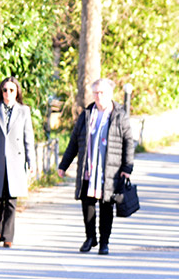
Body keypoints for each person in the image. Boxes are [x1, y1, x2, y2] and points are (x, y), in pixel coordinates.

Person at [57, 79, 136, 255]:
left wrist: (127, 167)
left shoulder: (119, 115)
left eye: (102, 93)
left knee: (106, 206)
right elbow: (74, 142)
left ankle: (104, 242)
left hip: (110, 170)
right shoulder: (87, 114)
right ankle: (90, 237)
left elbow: (128, 142)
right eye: (96, 93)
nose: (98, 96)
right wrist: (63, 165)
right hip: (88, 168)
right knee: (87, 205)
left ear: (110, 94)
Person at [0, 77, 35, 247]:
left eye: (11, 90)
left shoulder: (24, 111)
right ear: (1, 92)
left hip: (16, 160)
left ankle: (8, 237)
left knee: (11, 199)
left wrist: (31, 163)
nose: (8, 94)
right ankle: (1, 227)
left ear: (17, 92)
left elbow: (28, 138)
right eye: (5, 90)